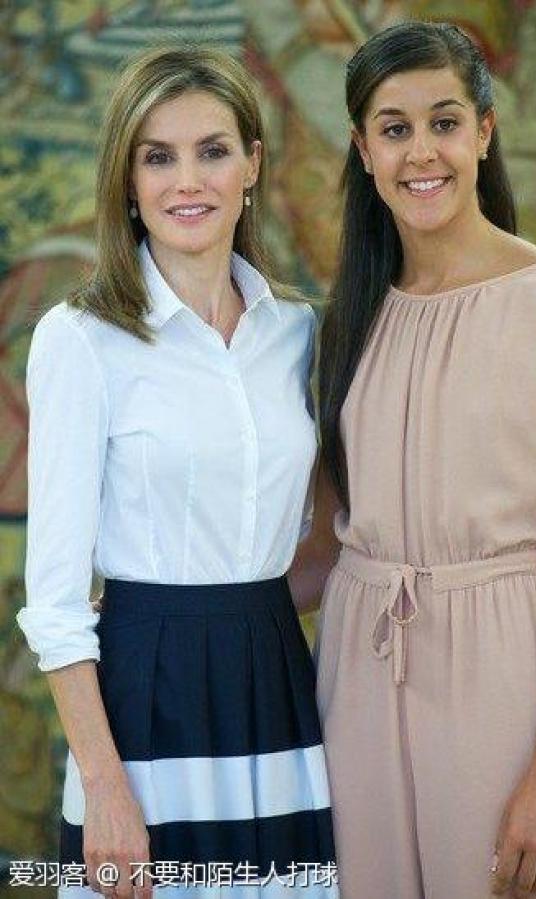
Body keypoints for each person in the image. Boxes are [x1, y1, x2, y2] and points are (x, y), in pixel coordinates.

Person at [302, 20, 536, 899]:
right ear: (363, 149)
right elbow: (324, 550)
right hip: (359, 683)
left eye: (444, 122)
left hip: (507, 684)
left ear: (485, 132)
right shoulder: (348, 320)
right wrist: (159, 604)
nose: (422, 152)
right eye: (395, 128)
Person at [17, 45, 337, 899]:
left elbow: (314, 540)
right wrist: (104, 785)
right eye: (158, 156)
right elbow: (54, 600)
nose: (187, 181)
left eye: (212, 150)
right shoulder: (80, 339)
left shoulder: (296, 332)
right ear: (127, 179)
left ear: (253, 164)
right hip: (143, 699)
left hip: (276, 681)